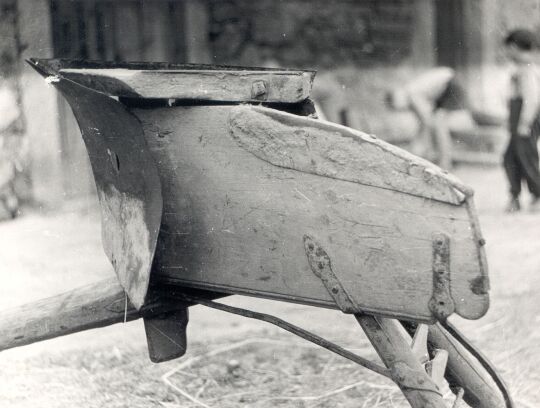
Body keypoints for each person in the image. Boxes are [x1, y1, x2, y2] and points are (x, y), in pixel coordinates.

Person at [386, 67, 471, 169]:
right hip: (443, 89)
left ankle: (445, 163)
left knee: (438, 125)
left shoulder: (412, 94)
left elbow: (426, 120)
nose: (403, 110)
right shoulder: (410, 91)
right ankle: (437, 158)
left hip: (449, 85)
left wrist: (417, 147)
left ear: (398, 100)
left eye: (399, 108)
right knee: (434, 124)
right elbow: (423, 122)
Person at [502, 29, 540, 213]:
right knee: (511, 157)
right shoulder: (519, 69)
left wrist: (524, 123)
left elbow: (531, 99)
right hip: (517, 119)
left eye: (508, 49)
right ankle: (514, 196)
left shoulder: (527, 70)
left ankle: (537, 195)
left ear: (514, 47)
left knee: (526, 157)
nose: (507, 53)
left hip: (525, 119)